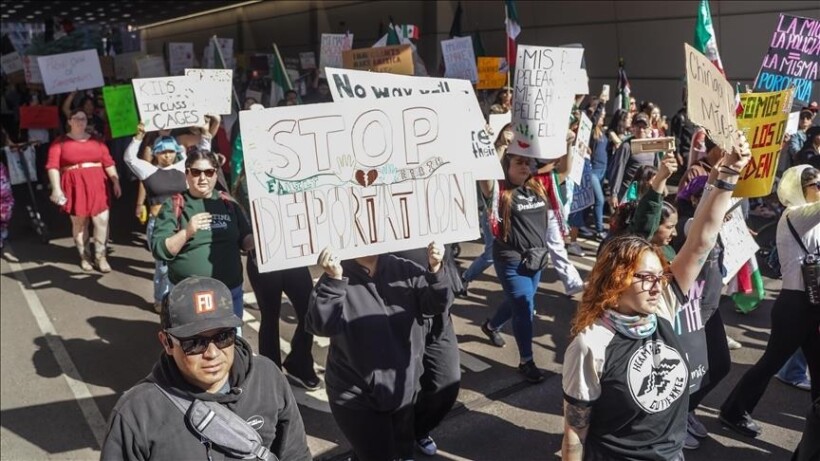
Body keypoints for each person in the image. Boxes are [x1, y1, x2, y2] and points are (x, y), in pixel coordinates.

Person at [561, 134, 751, 460]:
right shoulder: (591, 344)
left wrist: (729, 174)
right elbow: (575, 431)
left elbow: (701, 241)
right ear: (618, 279)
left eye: (658, 277)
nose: (655, 286)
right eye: (644, 277)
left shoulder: (661, 305)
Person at [100, 276, 311, 460]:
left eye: (223, 336)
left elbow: (295, 454)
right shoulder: (137, 413)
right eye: (194, 342)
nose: (212, 353)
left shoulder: (267, 377)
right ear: (167, 343)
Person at [306, 242, 452, 461]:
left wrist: (436, 269)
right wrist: (334, 281)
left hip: (403, 389)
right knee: (376, 454)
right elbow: (321, 325)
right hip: (355, 395)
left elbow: (436, 305)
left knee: (402, 451)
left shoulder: (404, 269)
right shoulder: (336, 276)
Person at [720, 165, 820, 438]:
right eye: (817, 185)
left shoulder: (811, 219)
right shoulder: (797, 214)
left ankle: (815, 425)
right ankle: (733, 411)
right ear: (801, 189)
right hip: (795, 305)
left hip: (810, 305)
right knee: (771, 363)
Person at [151, 149, 253, 324]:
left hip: (229, 292)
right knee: (194, 346)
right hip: (190, 296)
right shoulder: (175, 205)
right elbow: (160, 249)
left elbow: (245, 241)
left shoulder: (228, 203)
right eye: (196, 172)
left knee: (230, 344)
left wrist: (262, 236)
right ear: (187, 174)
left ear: (215, 174)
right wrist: (187, 231)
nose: (202, 178)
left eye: (209, 172)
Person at [479, 151, 551, 383]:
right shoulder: (500, 190)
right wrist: (492, 147)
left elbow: (567, 169)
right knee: (524, 307)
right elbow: (485, 178)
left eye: (527, 162)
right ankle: (526, 361)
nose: (525, 165)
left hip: (536, 259)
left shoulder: (539, 185)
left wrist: (569, 144)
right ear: (505, 167)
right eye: (518, 162)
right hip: (512, 260)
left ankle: (491, 326)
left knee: (517, 302)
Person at [46, 108, 121, 272]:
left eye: (84, 119)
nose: (81, 121)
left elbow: (108, 162)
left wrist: (115, 181)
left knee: (101, 220)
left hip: (97, 184)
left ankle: (101, 256)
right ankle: (85, 256)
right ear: (69, 121)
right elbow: (52, 166)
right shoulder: (60, 142)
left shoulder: (97, 141)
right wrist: (56, 189)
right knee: (80, 223)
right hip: (75, 186)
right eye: (77, 118)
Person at [124, 123, 187, 312]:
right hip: (159, 224)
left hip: (181, 222)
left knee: (184, 262)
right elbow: (129, 158)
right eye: (163, 151)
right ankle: (161, 298)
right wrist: (138, 138)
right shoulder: (148, 170)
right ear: (156, 153)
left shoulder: (183, 167)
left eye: (170, 151)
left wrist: (206, 131)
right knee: (163, 266)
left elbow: (202, 152)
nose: (167, 155)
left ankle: (179, 297)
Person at [461, 124, 513, 294]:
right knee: (491, 254)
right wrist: (501, 145)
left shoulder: (520, 158)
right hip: (494, 211)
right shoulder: (497, 153)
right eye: (510, 131)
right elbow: (489, 170)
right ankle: (465, 278)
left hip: (515, 212)